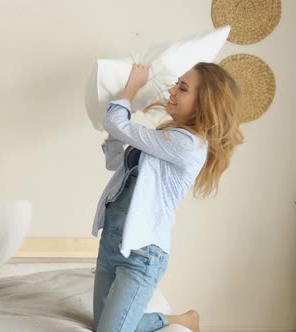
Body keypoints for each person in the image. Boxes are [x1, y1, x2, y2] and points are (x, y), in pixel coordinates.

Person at [92, 63, 243, 332]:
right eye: (177, 83)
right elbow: (115, 161)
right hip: (112, 242)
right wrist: (114, 134)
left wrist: (132, 87)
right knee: (101, 325)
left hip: (141, 254)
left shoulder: (187, 145)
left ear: (202, 104)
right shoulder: (164, 137)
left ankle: (179, 320)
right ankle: (180, 319)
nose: (172, 90)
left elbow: (115, 120)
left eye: (182, 88)